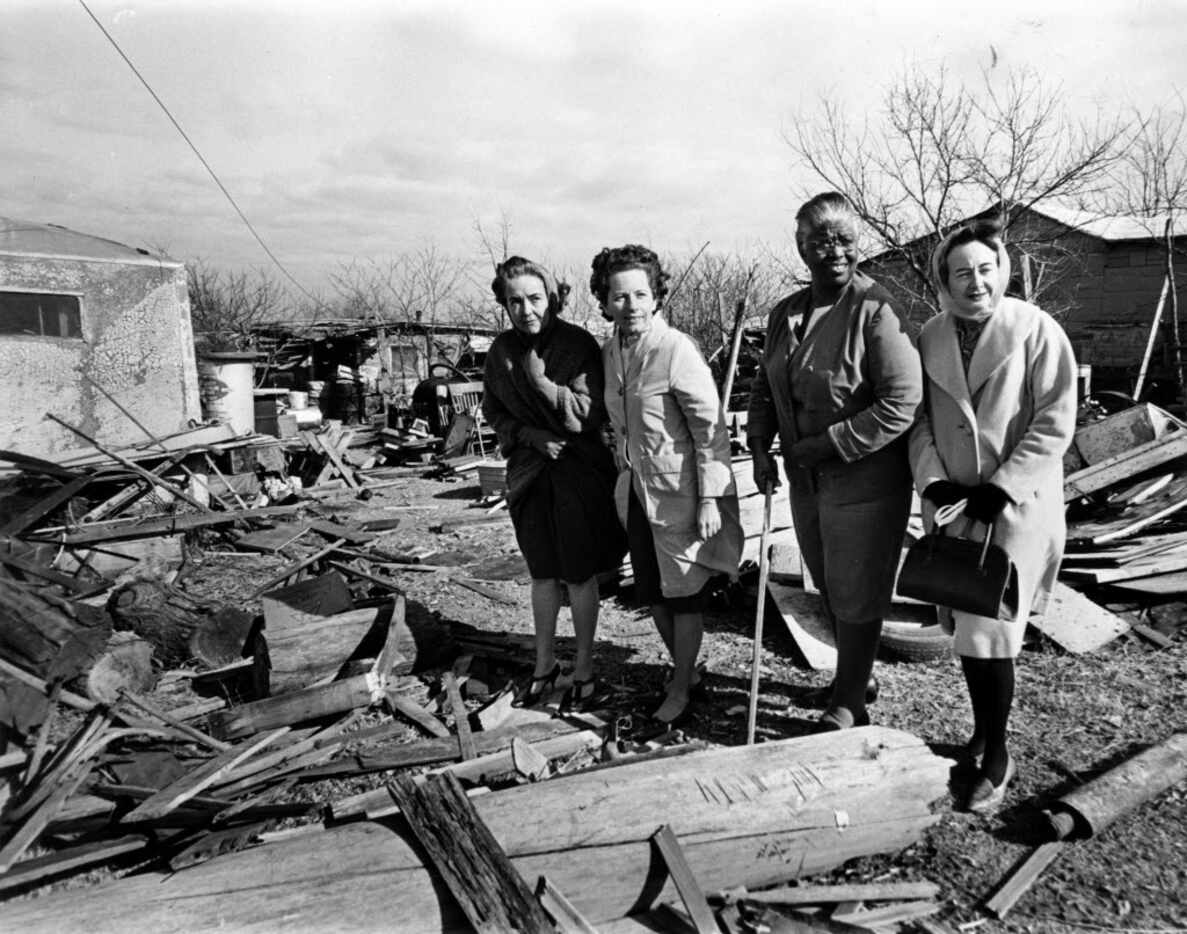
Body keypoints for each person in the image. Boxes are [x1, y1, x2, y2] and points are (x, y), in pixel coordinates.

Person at [909, 219, 1076, 811]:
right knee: (967, 630)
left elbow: (1055, 420)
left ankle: (997, 756)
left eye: (985, 268)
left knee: (994, 633)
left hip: (1015, 509)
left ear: (1000, 270)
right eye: (961, 272)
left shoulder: (1035, 329)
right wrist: (931, 481)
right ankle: (981, 733)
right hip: (955, 506)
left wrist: (1002, 488)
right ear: (944, 280)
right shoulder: (929, 335)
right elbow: (921, 419)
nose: (975, 281)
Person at [747, 192, 922, 732]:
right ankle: (857, 673)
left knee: (858, 587)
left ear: (858, 243)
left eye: (845, 239)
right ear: (801, 248)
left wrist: (828, 444)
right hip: (807, 483)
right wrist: (758, 444)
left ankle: (849, 701)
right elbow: (764, 384)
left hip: (865, 481)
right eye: (820, 241)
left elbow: (902, 401)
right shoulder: (786, 313)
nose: (835, 251)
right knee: (827, 581)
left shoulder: (876, 310)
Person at [595, 244, 743, 727]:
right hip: (636, 493)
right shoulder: (611, 351)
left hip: (681, 495)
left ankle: (680, 686)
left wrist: (709, 498)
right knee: (653, 594)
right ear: (605, 300)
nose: (631, 305)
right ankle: (687, 671)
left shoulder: (675, 348)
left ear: (657, 296)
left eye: (641, 293)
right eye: (620, 296)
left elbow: (711, 430)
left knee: (684, 595)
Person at [482, 256, 626, 712]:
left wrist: (541, 383)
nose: (526, 310)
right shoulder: (500, 353)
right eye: (515, 301)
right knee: (543, 574)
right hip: (529, 476)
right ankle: (544, 664)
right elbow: (494, 413)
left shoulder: (577, 345)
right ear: (505, 305)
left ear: (552, 298)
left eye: (535, 299)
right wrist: (531, 436)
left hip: (579, 475)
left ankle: (583, 666)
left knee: (580, 575)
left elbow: (587, 412)